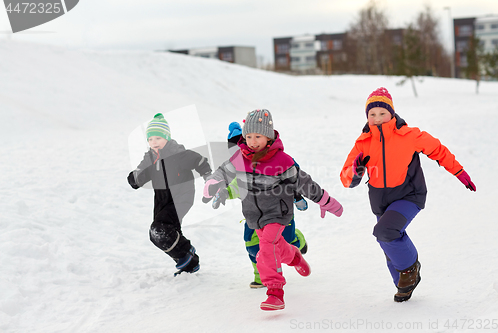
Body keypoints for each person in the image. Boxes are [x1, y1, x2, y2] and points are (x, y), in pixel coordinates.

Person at [340, 87, 476, 302]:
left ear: (392, 113)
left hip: (409, 195)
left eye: (382, 113)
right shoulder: (363, 142)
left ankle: (411, 269)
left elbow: (438, 150)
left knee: (386, 232)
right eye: (372, 114)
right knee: (386, 241)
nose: (377, 118)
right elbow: (346, 178)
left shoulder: (409, 135)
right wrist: (355, 171)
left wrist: (458, 171)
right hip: (380, 201)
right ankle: (404, 285)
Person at [203, 109, 343, 311]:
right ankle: (294, 256)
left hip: (278, 212)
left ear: (268, 136)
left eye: (257, 136)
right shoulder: (240, 158)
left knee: (266, 248)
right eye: (248, 136)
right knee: (276, 245)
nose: (252, 141)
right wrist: (214, 182)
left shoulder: (282, 160)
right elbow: (224, 172)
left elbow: (303, 182)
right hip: (254, 214)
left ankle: (275, 292)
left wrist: (324, 200)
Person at [226, 122, 308, 289]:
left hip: (278, 212)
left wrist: (297, 196)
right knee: (252, 246)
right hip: (254, 214)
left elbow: (293, 176)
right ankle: (261, 277)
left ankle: (297, 241)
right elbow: (236, 185)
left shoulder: (276, 158)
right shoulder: (239, 165)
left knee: (283, 242)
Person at [127, 113, 212, 276]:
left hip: (181, 197)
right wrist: (135, 178)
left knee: (160, 229)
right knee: (159, 235)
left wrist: (208, 176)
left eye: (158, 138)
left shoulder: (178, 153)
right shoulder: (150, 158)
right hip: (161, 200)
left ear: (167, 137)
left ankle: (187, 250)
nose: (154, 142)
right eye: (150, 139)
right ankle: (189, 265)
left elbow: (199, 161)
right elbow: (138, 177)